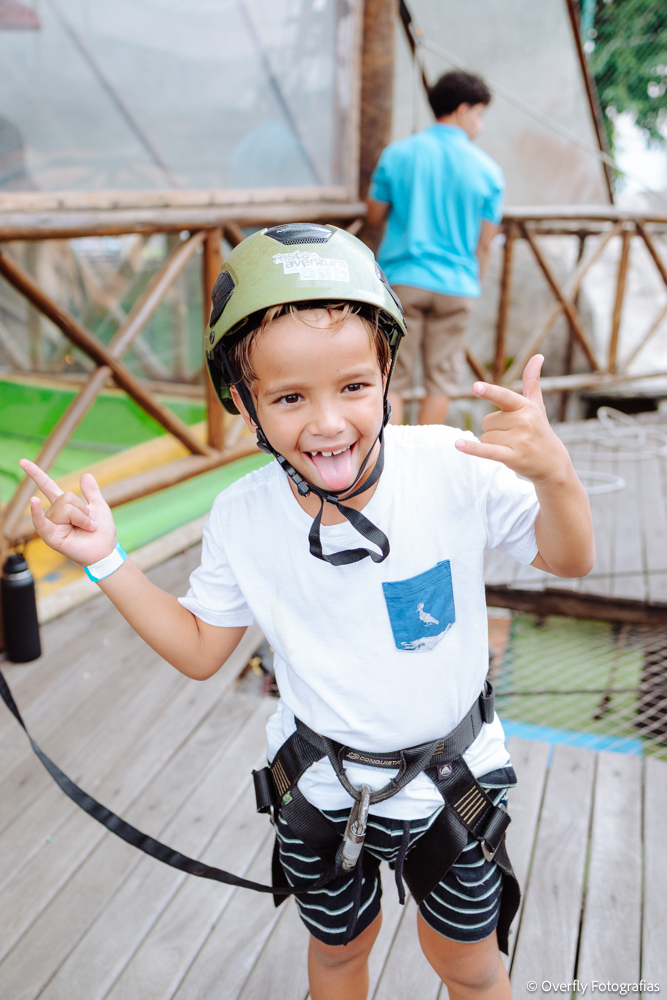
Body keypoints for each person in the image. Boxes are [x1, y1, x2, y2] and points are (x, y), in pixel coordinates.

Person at [19, 224, 594, 1000]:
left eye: (353, 387)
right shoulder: (242, 515)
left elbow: (568, 559)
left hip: (452, 780)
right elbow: (198, 651)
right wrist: (107, 561)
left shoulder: (449, 465)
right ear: (241, 398)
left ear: (387, 372)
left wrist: (555, 476)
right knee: (334, 957)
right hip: (320, 786)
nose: (326, 424)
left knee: (469, 964)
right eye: (289, 397)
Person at [367, 70, 503, 426]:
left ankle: (389, 461)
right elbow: (484, 244)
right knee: (439, 383)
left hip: (402, 281)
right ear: (461, 109)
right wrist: (472, 282)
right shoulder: (488, 171)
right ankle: (427, 463)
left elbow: (374, 213)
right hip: (456, 285)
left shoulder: (397, 154)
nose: (481, 125)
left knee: (391, 377)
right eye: (479, 114)